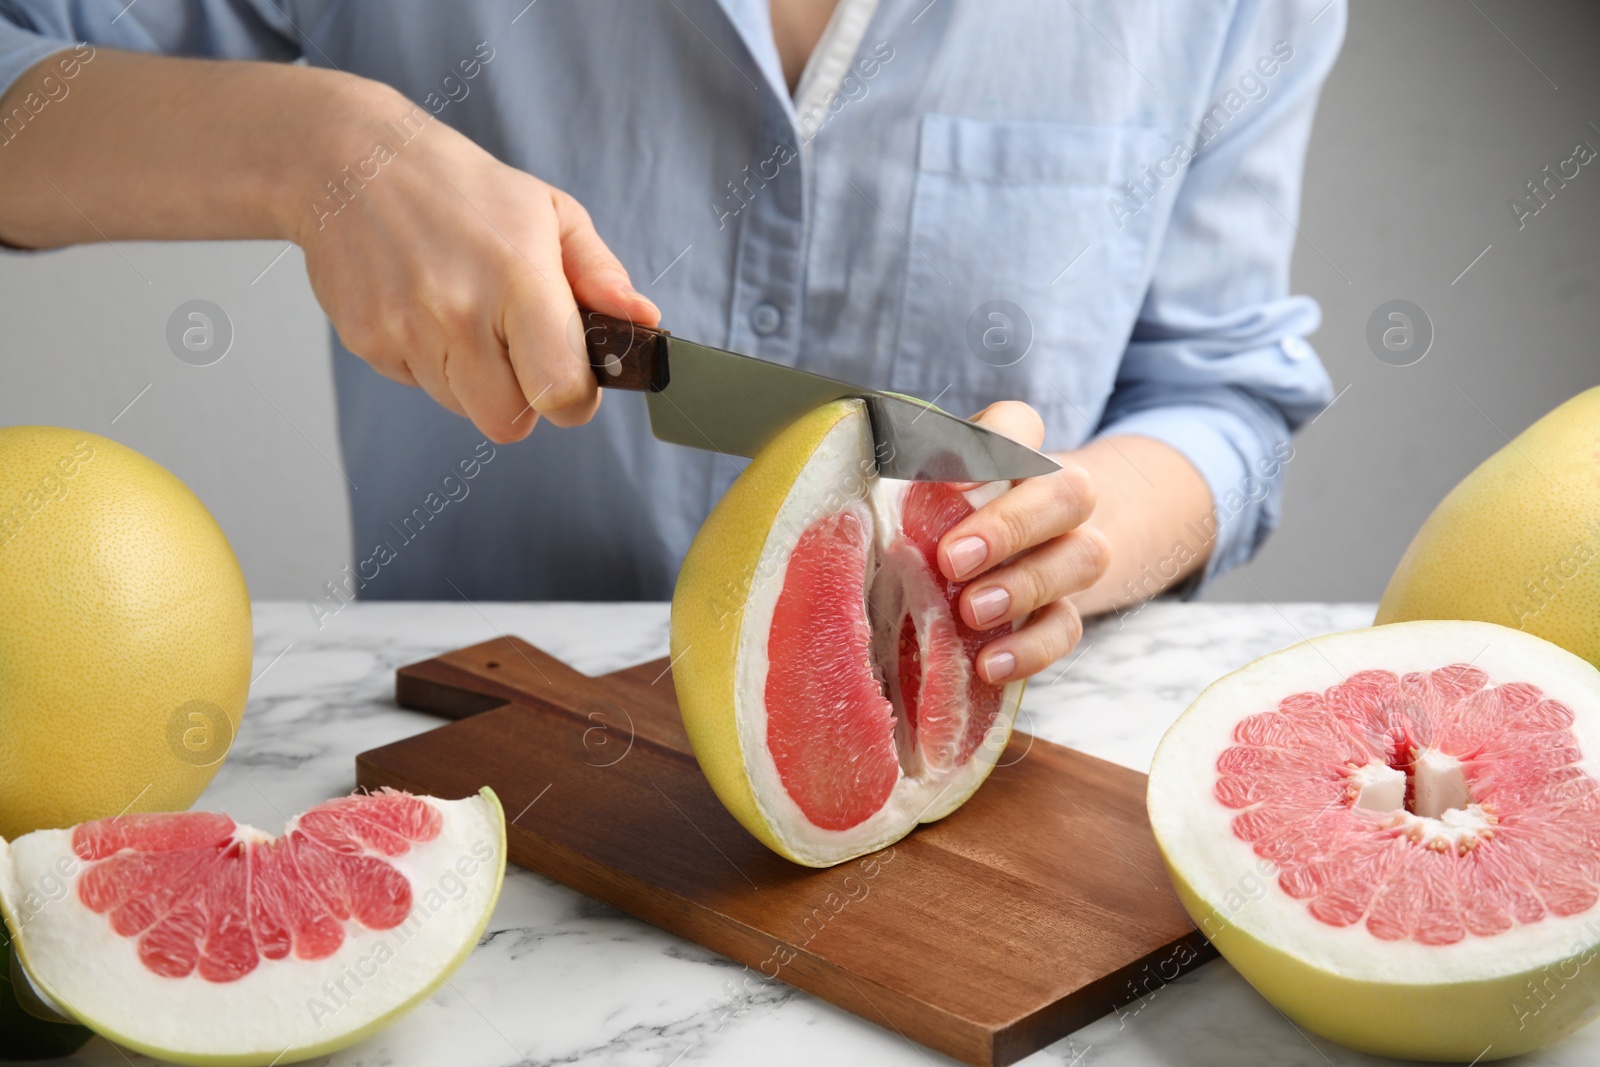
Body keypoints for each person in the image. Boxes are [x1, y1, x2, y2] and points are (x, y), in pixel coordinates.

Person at [0, 0, 1340, 685]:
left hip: (969, 780)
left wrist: (1082, 538)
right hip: (490, 742)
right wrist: (311, 149)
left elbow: (1222, 396)